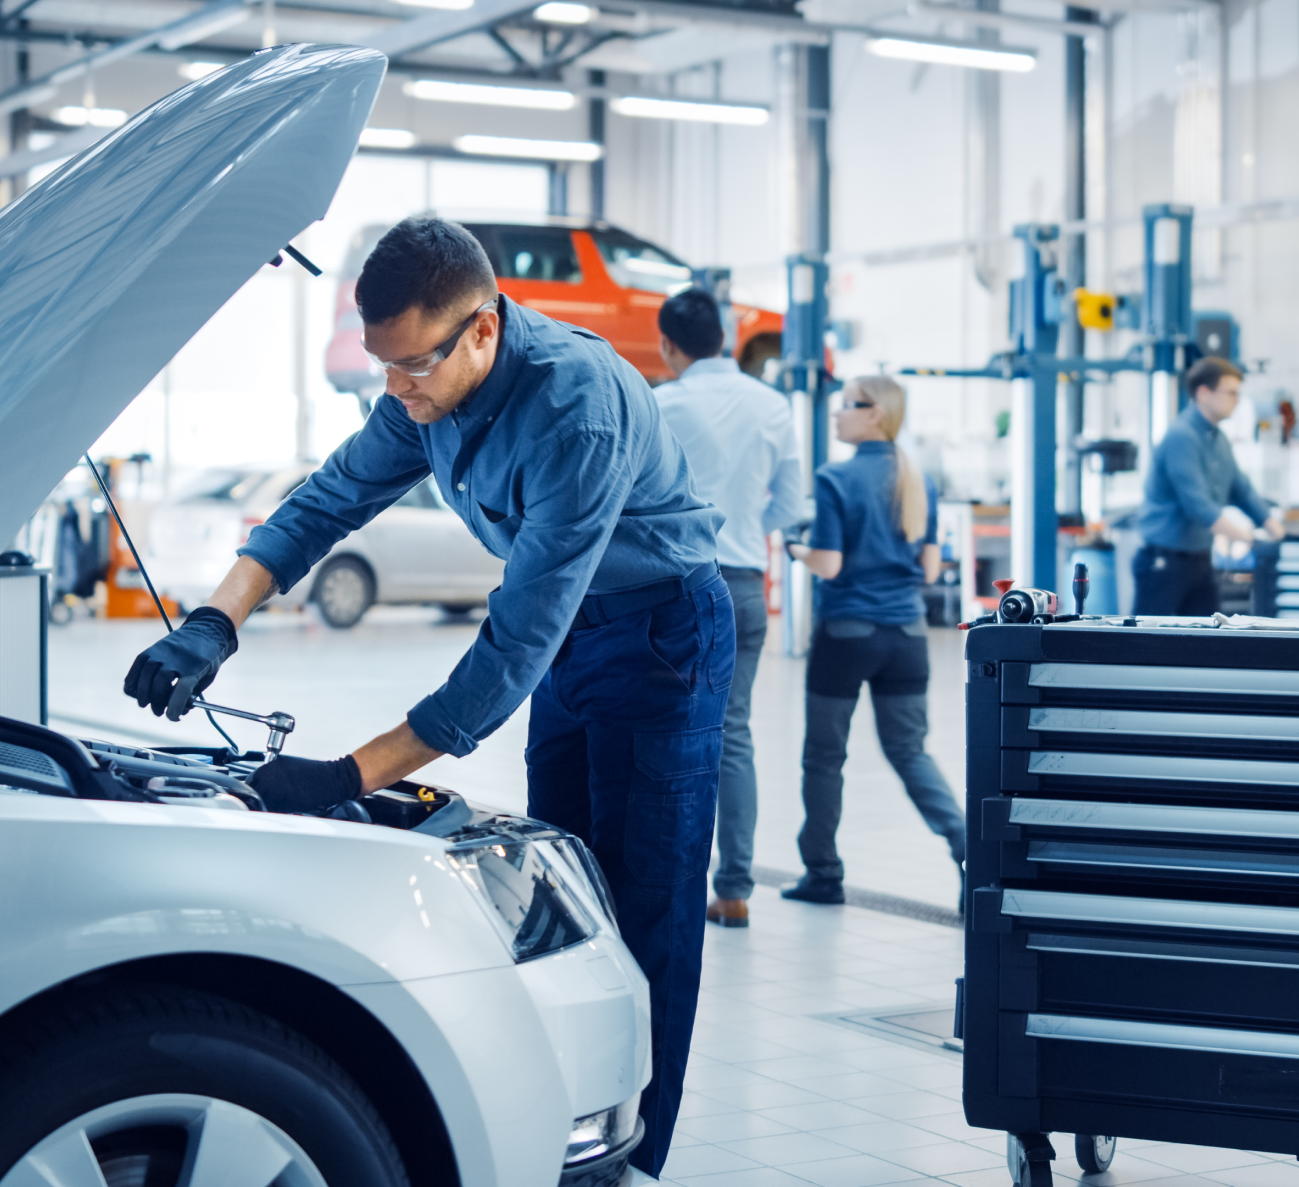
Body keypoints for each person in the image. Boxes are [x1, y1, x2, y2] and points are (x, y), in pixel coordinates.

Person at [120, 216, 727, 1180]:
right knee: (569, 893)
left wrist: (345, 777)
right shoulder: (424, 389)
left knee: (648, 910)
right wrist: (214, 622)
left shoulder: (578, 406)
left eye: (414, 367)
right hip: (581, 634)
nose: (398, 392)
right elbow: (328, 501)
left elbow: (512, 646)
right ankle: (580, 1143)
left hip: (662, 636)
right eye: (383, 369)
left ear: (482, 329)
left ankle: (637, 1166)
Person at [780, 375, 965, 906]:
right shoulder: (918, 479)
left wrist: (795, 550)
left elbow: (830, 564)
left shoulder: (836, 477)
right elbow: (930, 568)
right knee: (910, 751)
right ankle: (966, 844)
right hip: (907, 635)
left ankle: (823, 872)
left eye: (846, 407)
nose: (836, 415)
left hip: (846, 634)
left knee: (823, 757)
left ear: (875, 414)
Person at [650, 289, 803, 931]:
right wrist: (742, 529)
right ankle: (734, 887)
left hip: (675, 587)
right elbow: (790, 509)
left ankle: (666, 881)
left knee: (662, 733)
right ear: (728, 340)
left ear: (667, 346)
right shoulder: (773, 406)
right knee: (731, 733)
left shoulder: (660, 405)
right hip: (744, 584)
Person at [1133, 355, 1283, 615]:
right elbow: (1198, 505)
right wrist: (1248, 537)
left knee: (1204, 644)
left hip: (1199, 559)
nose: (1237, 401)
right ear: (1204, 393)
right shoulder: (1182, 437)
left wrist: (1270, 523)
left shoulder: (1218, 439)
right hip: (1164, 563)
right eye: (1231, 393)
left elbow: (1240, 489)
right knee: (1149, 648)